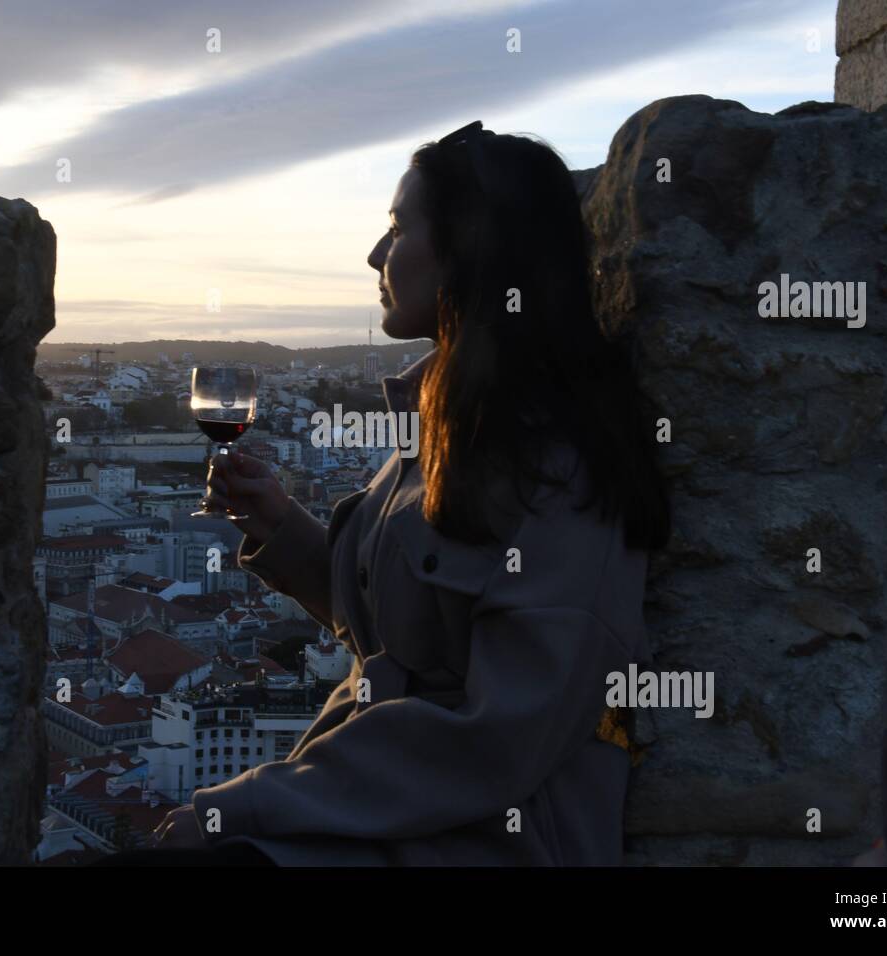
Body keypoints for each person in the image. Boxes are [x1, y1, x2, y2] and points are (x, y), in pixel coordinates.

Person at [132, 121, 671, 866]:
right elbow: (396, 633)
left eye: (396, 229)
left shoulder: (560, 468)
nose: (375, 255)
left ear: (467, 248)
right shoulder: (441, 433)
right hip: (384, 823)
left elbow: (498, 738)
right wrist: (281, 525)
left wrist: (245, 804)